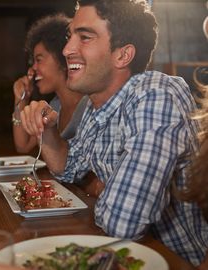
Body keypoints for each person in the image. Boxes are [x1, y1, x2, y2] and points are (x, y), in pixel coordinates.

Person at [18, 0, 208, 267]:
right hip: (126, 255)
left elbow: (122, 222)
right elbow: (68, 169)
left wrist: (100, 188)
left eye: (84, 37)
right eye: (69, 36)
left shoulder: (155, 94)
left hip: (178, 261)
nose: (67, 49)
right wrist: (47, 131)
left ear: (123, 55)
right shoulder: (98, 106)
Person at [12, 13, 87, 153]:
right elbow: (23, 146)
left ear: (63, 57)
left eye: (39, 60)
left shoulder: (89, 106)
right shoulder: (54, 106)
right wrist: (21, 99)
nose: (33, 68)